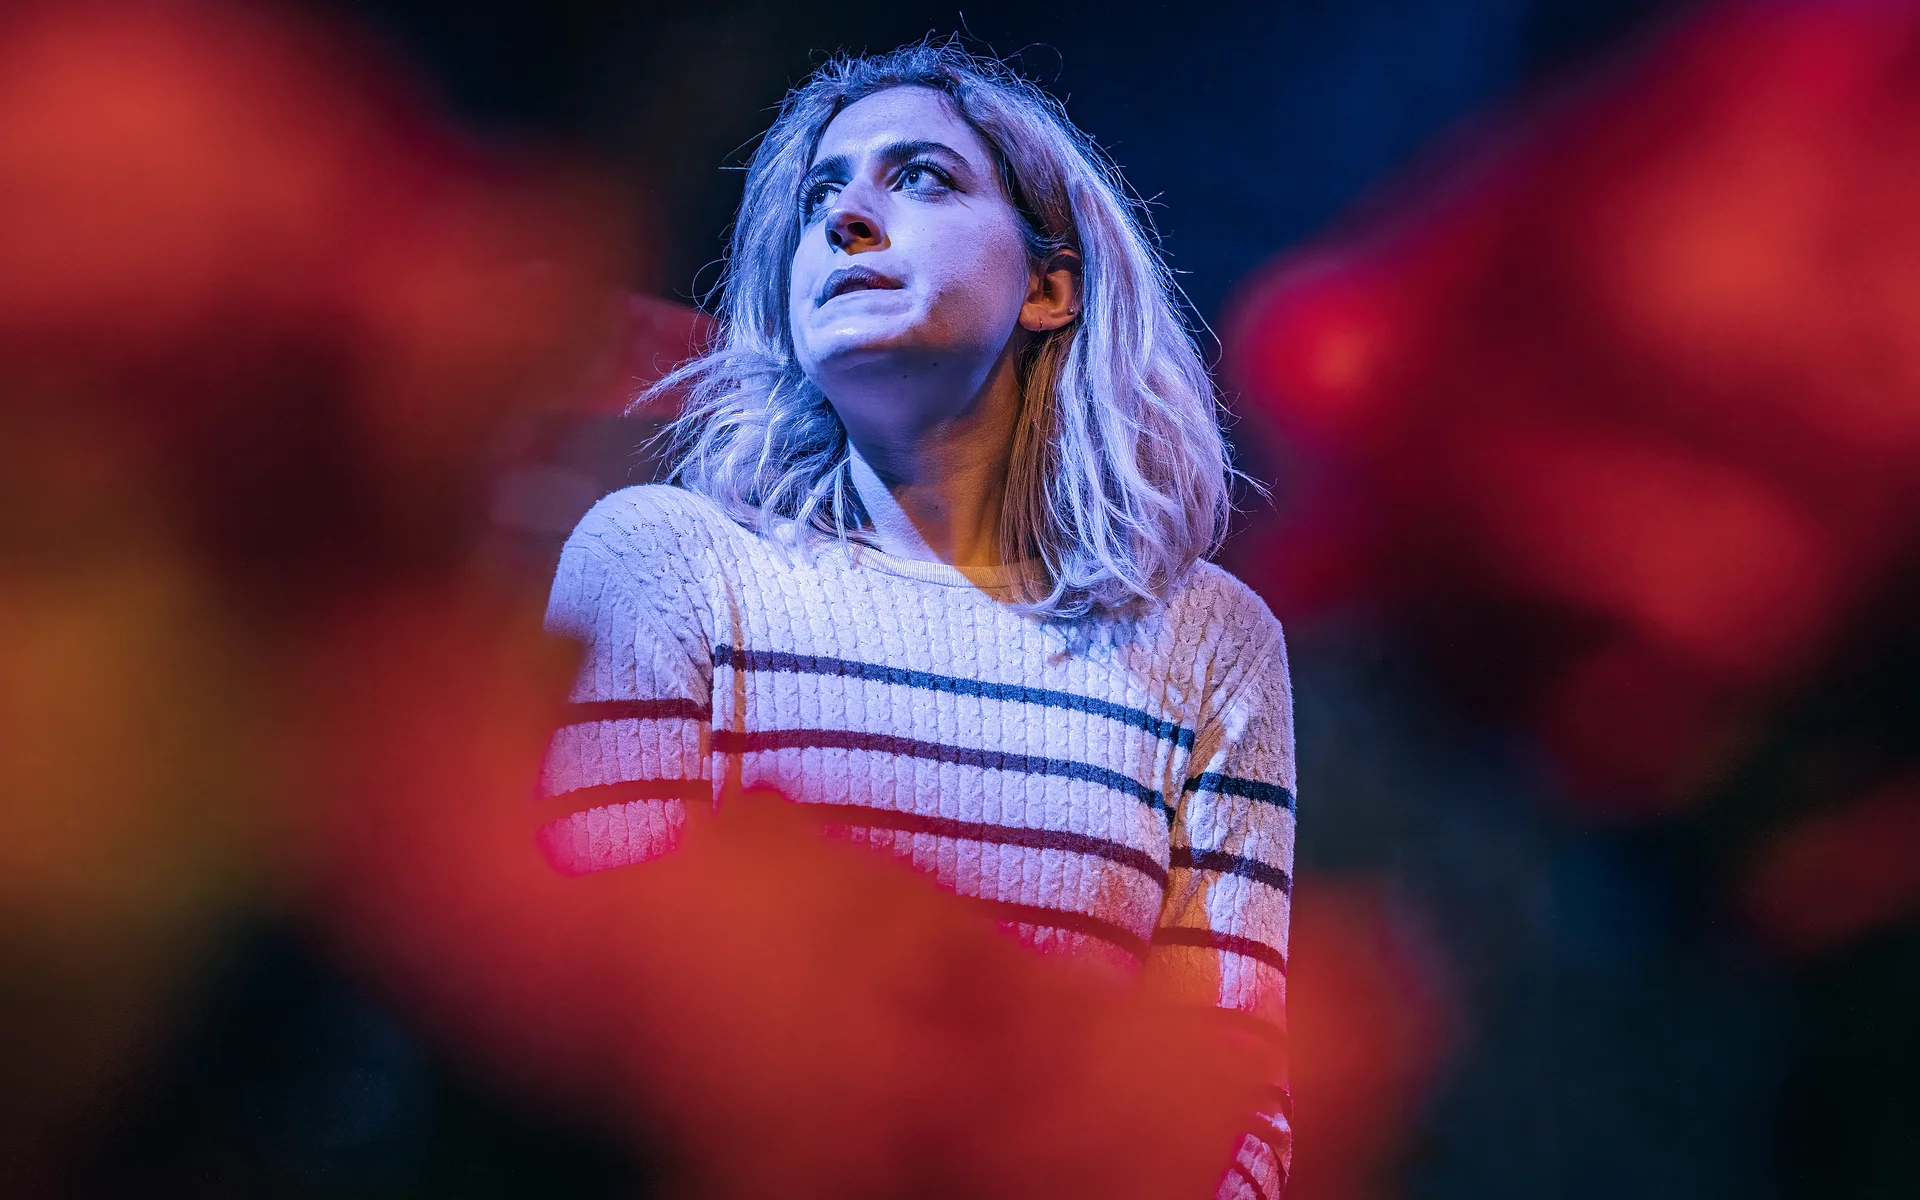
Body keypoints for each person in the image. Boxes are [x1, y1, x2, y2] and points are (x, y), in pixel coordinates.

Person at [540, 42, 1296, 1199]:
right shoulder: (667, 563)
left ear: (1051, 287)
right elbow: (584, 1032)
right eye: (817, 199)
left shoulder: (1208, 641)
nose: (846, 216)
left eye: (921, 177)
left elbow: (1228, 1093)